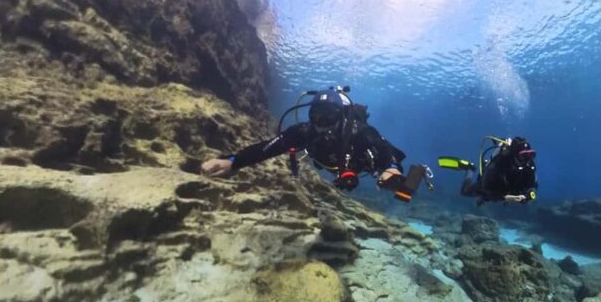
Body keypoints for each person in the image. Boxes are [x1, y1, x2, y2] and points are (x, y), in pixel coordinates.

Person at [201, 87, 407, 192]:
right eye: (316, 115)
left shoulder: (359, 132)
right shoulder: (304, 132)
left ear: (340, 116)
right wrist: (231, 161)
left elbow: (383, 147)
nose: (321, 123)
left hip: (358, 163)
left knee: (391, 180)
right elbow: (266, 149)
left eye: (328, 116)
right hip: (330, 164)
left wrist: (392, 168)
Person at [438, 136, 537, 205]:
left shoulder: (529, 165)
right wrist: (506, 198)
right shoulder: (499, 164)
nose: (527, 160)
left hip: (506, 190)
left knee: (486, 198)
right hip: (491, 187)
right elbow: (486, 188)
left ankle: (484, 199)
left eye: (530, 155)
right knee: (465, 192)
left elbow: (533, 185)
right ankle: (470, 168)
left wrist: (530, 193)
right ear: (514, 155)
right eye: (523, 156)